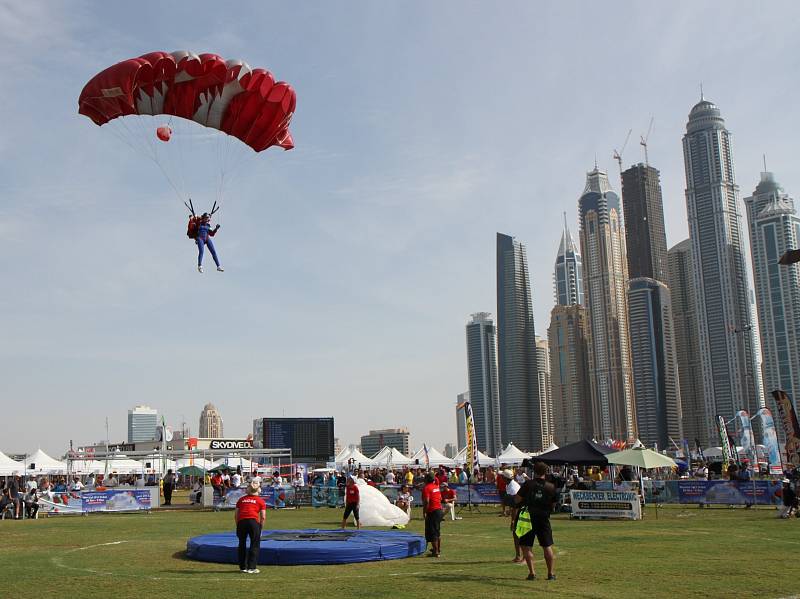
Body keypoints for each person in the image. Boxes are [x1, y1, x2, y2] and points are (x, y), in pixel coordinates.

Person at [515, 462, 557, 581]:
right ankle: (551, 573)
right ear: (545, 472)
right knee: (547, 545)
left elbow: (517, 499)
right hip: (543, 517)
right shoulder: (551, 486)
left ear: (534, 472)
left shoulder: (528, 484)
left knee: (526, 546)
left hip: (527, 517)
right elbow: (553, 504)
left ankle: (532, 573)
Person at [235, 481, 266, 574]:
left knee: (241, 544)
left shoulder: (241, 500)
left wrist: (238, 525)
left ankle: (242, 567)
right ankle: (251, 567)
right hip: (253, 522)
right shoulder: (261, 501)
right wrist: (260, 528)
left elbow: (236, 515)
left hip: (241, 522)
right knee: (254, 544)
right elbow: (263, 517)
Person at [422, 473, 444, 557]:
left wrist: (424, 511)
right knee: (437, 531)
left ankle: (436, 552)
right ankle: (437, 549)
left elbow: (427, 501)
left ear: (426, 480)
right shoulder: (436, 487)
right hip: (439, 510)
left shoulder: (427, 488)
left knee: (432, 532)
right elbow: (440, 498)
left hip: (432, 511)